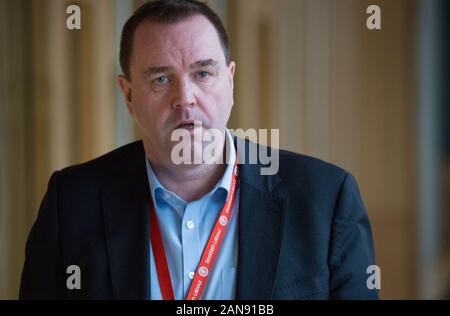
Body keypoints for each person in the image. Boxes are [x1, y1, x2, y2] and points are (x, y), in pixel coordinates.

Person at [19, 0, 378, 300]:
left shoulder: (326, 199)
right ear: (128, 95)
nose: (185, 99)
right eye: (161, 79)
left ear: (230, 81)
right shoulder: (71, 203)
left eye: (203, 74)